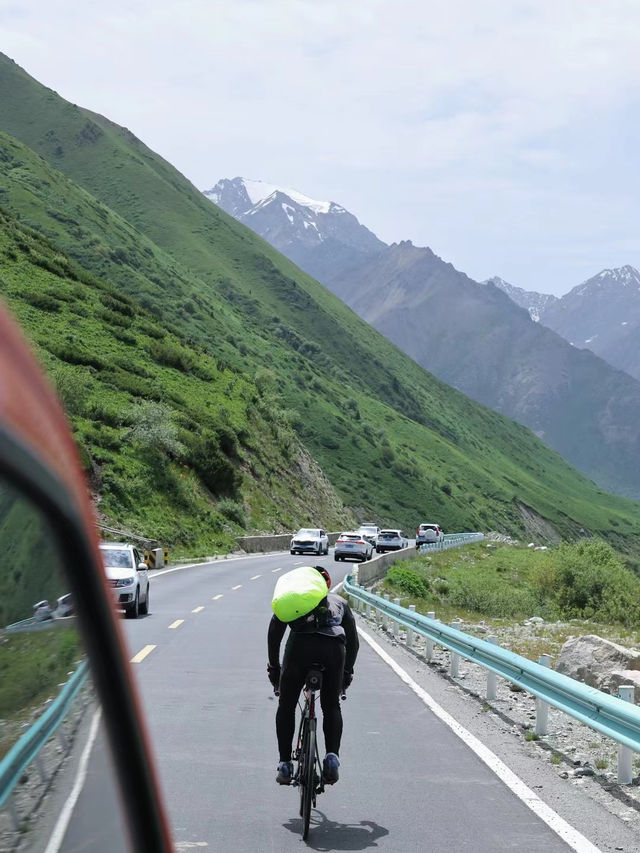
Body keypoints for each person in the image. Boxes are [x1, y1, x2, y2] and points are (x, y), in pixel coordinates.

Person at [267, 565, 359, 786]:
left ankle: (285, 764)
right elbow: (353, 642)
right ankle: (332, 758)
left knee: (287, 705)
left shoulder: (292, 602)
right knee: (331, 706)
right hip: (333, 653)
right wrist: (347, 672)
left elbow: (274, 635)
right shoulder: (340, 602)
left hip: (300, 650)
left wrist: (275, 669)